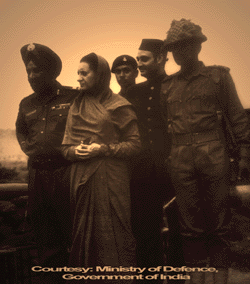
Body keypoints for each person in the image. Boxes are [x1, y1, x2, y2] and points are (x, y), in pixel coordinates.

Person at [161, 19, 250, 284]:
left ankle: (220, 279)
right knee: (189, 227)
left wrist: (245, 155)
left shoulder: (218, 76)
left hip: (213, 154)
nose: (179, 53)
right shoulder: (168, 85)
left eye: (185, 46)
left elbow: (237, 118)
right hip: (180, 157)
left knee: (220, 224)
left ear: (197, 47)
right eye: (175, 48)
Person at [61, 53, 141, 282]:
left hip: (111, 180)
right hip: (82, 180)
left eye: (84, 73)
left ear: (101, 75)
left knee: (115, 234)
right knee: (83, 236)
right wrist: (75, 152)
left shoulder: (120, 105)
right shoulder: (76, 106)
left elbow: (135, 145)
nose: (79, 78)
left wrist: (103, 149)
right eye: (78, 73)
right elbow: (66, 148)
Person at [16, 43, 78, 283]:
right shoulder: (26, 104)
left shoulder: (73, 97)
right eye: (29, 72)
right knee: (46, 240)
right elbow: (21, 132)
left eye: (37, 71)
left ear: (51, 73)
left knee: (75, 236)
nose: (31, 77)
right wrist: (31, 149)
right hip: (38, 177)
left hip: (67, 174)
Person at [125, 39, 184, 282]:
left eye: (144, 58)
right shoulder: (132, 91)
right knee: (144, 232)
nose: (139, 64)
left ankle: (177, 276)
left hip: (173, 170)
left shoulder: (176, 86)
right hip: (141, 174)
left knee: (179, 230)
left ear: (161, 58)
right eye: (137, 59)